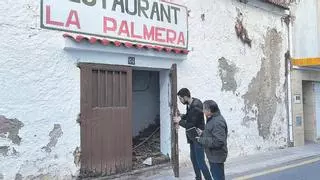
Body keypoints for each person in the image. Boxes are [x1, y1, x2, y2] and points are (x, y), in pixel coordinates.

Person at [174, 88, 212, 180]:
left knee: (200, 162)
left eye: (180, 99)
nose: (180, 101)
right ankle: (198, 178)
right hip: (192, 137)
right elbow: (189, 116)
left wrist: (179, 121)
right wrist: (182, 116)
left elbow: (191, 124)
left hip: (198, 137)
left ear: (186, 97)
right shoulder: (190, 104)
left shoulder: (196, 106)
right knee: (194, 160)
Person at [196, 100, 228, 180]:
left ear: (209, 111)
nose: (203, 111)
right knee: (216, 176)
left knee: (218, 177)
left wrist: (201, 140)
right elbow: (212, 133)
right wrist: (203, 133)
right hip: (213, 155)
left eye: (204, 109)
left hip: (217, 156)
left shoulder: (218, 122)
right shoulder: (212, 118)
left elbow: (218, 141)